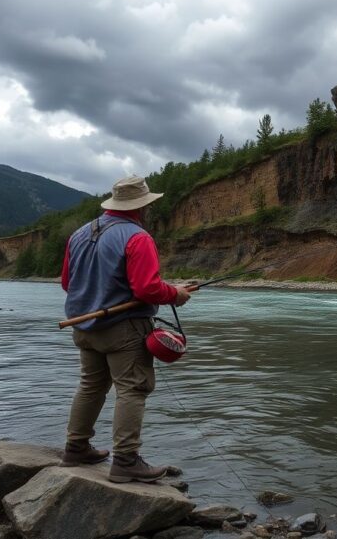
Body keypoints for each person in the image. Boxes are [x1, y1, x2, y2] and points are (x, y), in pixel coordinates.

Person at [59, 175, 192, 483]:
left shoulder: (79, 233)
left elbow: (67, 283)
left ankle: (76, 448)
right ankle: (126, 462)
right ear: (141, 206)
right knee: (133, 388)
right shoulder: (138, 236)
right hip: (124, 330)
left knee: (91, 385)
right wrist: (177, 294)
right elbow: (147, 289)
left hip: (84, 327)